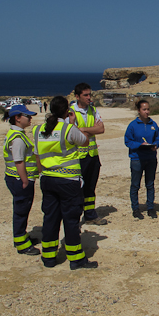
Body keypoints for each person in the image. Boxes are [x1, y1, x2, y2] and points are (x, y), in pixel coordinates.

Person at [33, 96, 98, 270]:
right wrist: (73, 123)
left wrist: (42, 173)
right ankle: (76, 259)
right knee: (71, 220)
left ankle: (49, 257)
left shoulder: (38, 130)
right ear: (67, 111)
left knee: (50, 218)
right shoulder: (67, 128)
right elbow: (84, 141)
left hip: (47, 179)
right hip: (68, 181)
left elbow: (37, 155)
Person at [3, 105, 40, 256]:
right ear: (17, 118)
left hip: (15, 178)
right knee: (21, 211)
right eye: (27, 116)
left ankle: (22, 237)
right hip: (20, 180)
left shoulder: (15, 133)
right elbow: (19, 161)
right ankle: (22, 244)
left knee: (22, 209)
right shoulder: (17, 138)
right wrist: (25, 181)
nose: (30, 119)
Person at [67, 83, 107, 225]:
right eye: (86, 95)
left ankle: (90, 215)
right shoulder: (71, 112)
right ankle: (75, 218)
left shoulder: (93, 110)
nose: (89, 97)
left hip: (92, 155)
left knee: (90, 187)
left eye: (90, 94)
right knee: (77, 188)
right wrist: (91, 129)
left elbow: (101, 129)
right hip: (78, 157)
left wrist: (82, 129)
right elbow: (71, 132)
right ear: (77, 96)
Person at [124, 99, 159, 219]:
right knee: (135, 185)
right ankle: (135, 209)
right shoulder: (133, 125)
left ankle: (150, 207)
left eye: (148, 109)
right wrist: (139, 145)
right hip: (137, 158)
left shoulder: (153, 124)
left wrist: (155, 145)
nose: (147, 112)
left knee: (150, 184)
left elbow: (158, 138)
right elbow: (128, 141)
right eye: (144, 109)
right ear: (139, 110)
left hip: (151, 158)